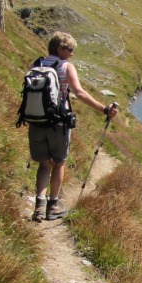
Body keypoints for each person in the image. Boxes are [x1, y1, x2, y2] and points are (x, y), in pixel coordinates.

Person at [28, 31, 118, 222]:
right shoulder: (66, 67)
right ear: (60, 49)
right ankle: (52, 206)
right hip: (58, 123)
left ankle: (38, 206)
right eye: (70, 49)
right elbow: (79, 92)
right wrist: (103, 109)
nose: (72, 53)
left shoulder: (37, 64)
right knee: (58, 163)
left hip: (36, 121)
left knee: (44, 165)